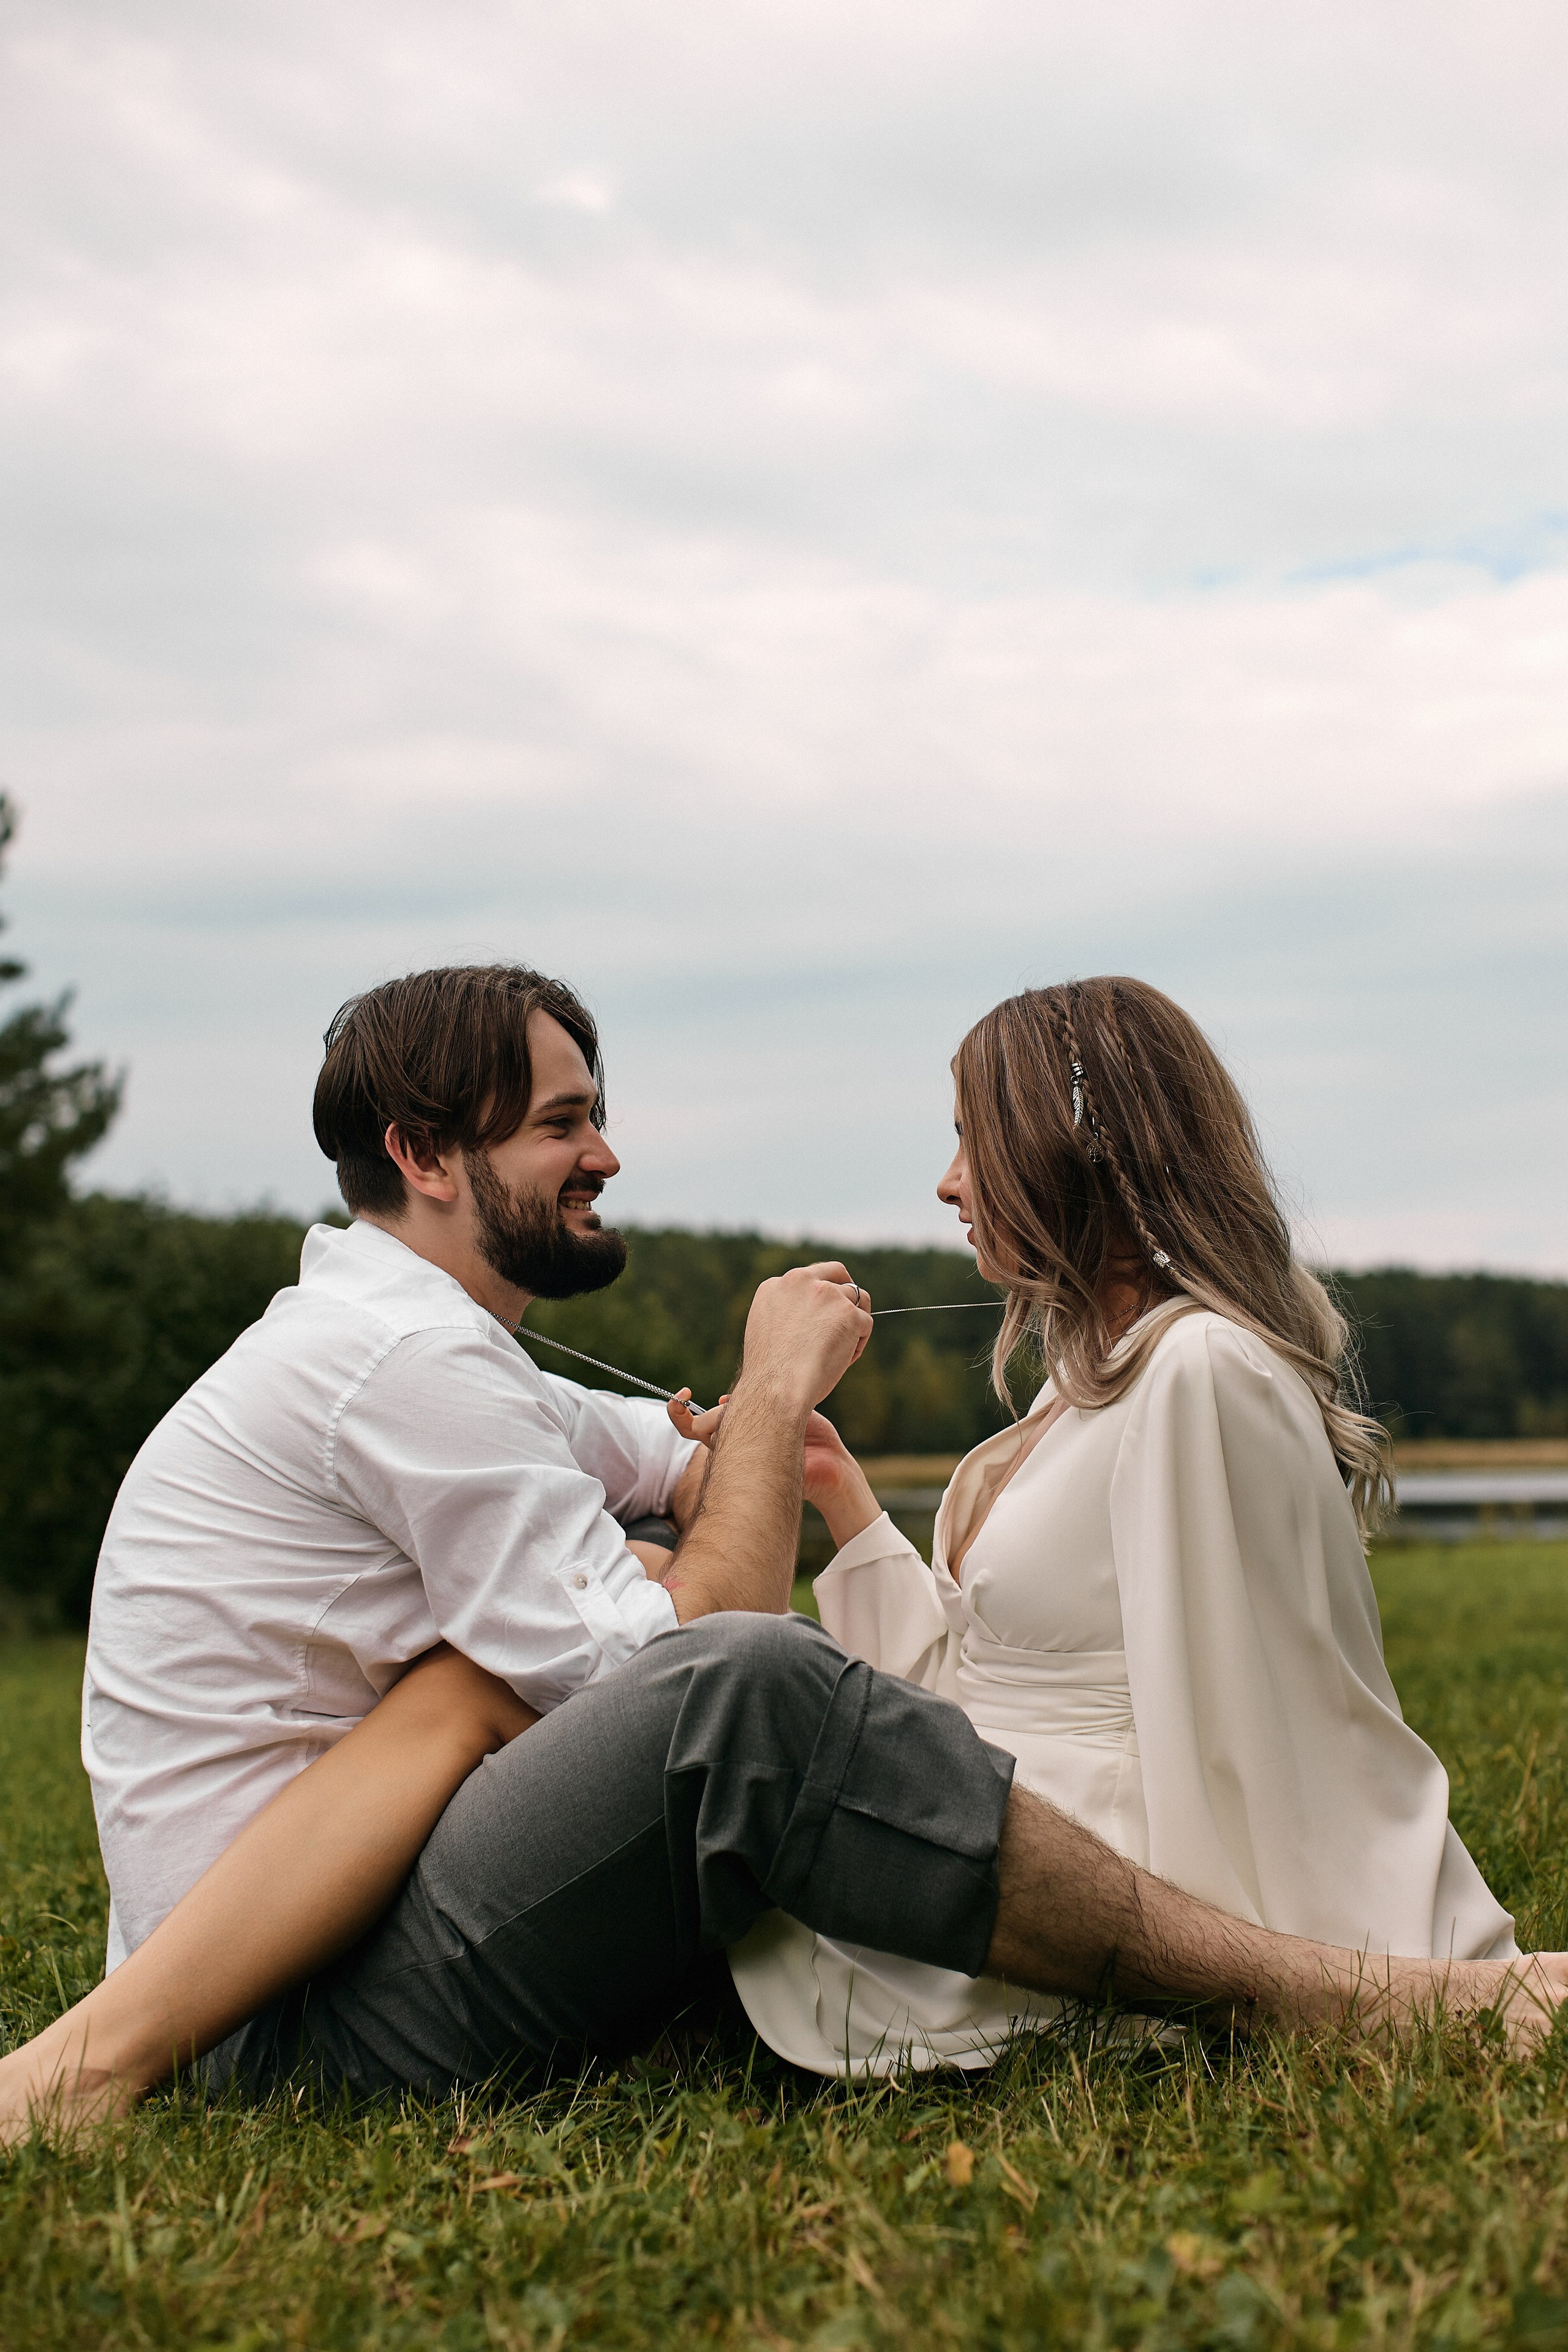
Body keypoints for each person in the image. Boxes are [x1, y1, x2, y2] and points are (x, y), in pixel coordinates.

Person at [2, 965, 1561, 2143]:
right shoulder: (404, 1366)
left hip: (331, 1948)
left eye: (595, 1114)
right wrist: (760, 1400)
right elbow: (692, 1661)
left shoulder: (424, 1349)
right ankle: (1324, 2001)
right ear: (421, 1153)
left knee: (520, 1659)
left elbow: (665, 1460)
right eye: (560, 1124)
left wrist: (760, 1456)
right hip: (284, 2007)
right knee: (724, 1687)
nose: (606, 1154)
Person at [729, 978, 1521, 2073]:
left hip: (1075, 1889)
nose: (949, 1182)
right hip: (978, 1819)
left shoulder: (1203, 1371)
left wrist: (1307, 1983)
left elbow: (1269, 1725)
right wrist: (836, 1489)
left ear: (1075, 1151)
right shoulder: (1085, 1385)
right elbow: (978, 1691)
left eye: (973, 1140)